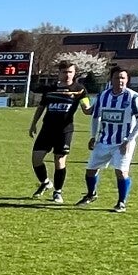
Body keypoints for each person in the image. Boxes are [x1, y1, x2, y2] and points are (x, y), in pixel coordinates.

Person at [78, 65, 138, 213]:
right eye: (117, 78)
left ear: (127, 80)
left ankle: (121, 202)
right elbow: (95, 117)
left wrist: (129, 140)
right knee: (90, 170)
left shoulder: (134, 97)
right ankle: (91, 194)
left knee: (121, 172)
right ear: (111, 79)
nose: (120, 80)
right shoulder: (103, 96)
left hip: (123, 142)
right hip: (104, 141)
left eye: (123, 78)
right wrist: (93, 136)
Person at [26, 60, 91, 204]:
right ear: (59, 73)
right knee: (36, 159)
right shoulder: (50, 89)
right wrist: (33, 124)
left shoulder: (79, 89)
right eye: (64, 72)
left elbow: (86, 109)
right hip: (47, 129)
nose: (67, 75)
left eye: (70, 72)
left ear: (74, 73)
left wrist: (96, 108)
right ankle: (45, 182)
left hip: (64, 131)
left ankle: (57, 192)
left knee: (59, 161)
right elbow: (41, 107)